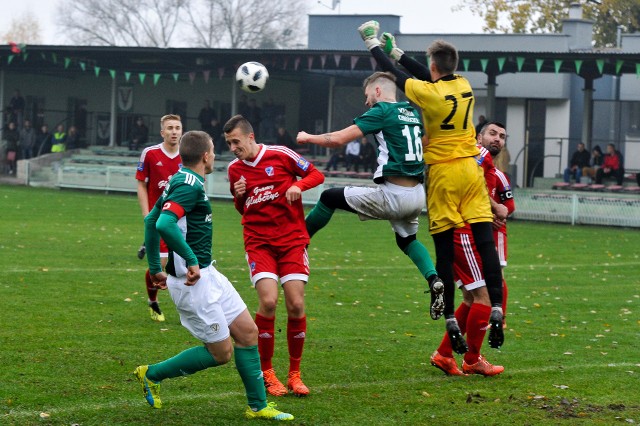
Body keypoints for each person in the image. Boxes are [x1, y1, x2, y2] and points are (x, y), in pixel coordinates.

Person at [360, 22, 506, 352]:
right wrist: (397, 51)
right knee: (486, 243)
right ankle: (497, 308)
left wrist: (373, 45)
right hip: (471, 170)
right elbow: (425, 72)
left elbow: (393, 76)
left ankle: (451, 322)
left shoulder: (427, 93)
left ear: (433, 67)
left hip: (443, 174)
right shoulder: (465, 85)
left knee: (444, 248)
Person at [134, 130, 293, 421]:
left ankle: (258, 406)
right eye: (214, 151)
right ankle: (152, 374)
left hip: (209, 275)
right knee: (221, 353)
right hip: (192, 282)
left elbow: (150, 219)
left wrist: (156, 266)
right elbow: (165, 223)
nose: (216, 156)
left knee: (247, 333)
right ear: (206, 155)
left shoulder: (179, 178)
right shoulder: (189, 183)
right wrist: (190, 259)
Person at [298, 71, 444, 322]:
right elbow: (426, 140)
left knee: (328, 197)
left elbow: (340, 139)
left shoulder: (382, 111)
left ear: (377, 91)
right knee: (407, 241)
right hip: (418, 195)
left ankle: (297, 243)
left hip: (394, 195)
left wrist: (307, 137)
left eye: (367, 96)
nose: (366, 103)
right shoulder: (411, 112)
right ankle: (434, 278)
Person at [226, 114, 325, 397]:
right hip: (259, 242)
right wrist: (239, 196)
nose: (233, 147)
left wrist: (298, 185)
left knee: (295, 303)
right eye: (229, 143)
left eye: (236, 141)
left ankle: (295, 373)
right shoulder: (235, 170)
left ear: (250, 137)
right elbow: (243, 210)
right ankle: (267, 372)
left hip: (292, 239)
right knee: (268, 301)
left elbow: (316, 174)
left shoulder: (281, 155)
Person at [430, 122, 514, 376]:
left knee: (472, 297)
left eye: (502, 136)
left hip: (465, 230)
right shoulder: (476, 153)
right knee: (486, 297)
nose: (497, 139)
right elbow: (468, 185)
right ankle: (472, 358)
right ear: (479, 136)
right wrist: (495, 208)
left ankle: (444, 354)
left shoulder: (484, 160)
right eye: (492, 133)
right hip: (462, 230)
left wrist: (494, 211)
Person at [135, 114, 183, 322]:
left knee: (189, 264)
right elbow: (141, 183)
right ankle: (153, 301)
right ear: (162, 132)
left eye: (177, 128)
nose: (174, 131)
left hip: (183, 219)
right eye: (170, 128)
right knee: (160, 264)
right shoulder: (151, 154)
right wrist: (147, 214)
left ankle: (191, 307)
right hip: (160, 219)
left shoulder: (188, 155)